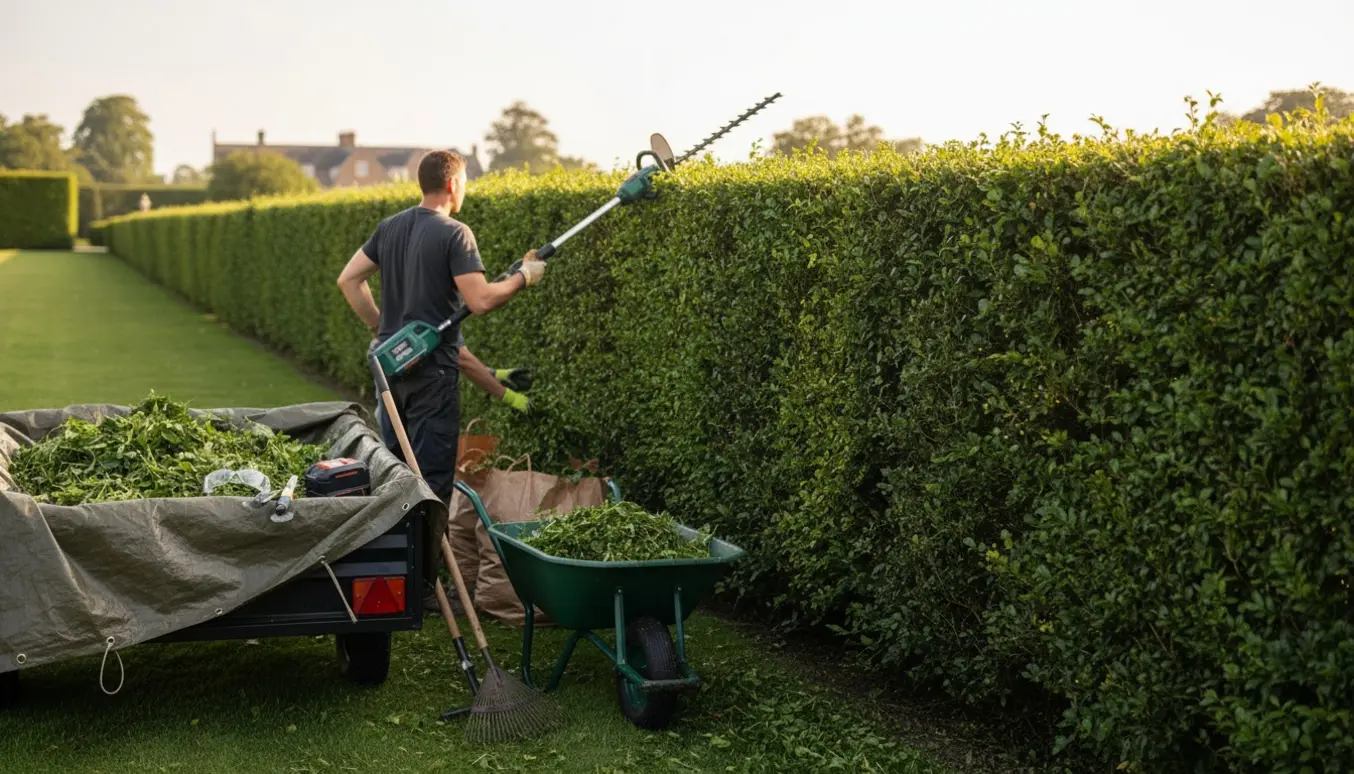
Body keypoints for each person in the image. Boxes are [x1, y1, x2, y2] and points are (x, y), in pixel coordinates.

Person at [336, 149, 545, 501]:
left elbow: (349, 280)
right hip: (433, 378)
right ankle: (429, 556)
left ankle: (403, 554)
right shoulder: (455, 233)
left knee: (394, 477)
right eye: (464, 182)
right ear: (451, 183)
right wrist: (524, 278)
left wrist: (381, 328)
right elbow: (479, 300)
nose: (465, 189)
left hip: (391, 372)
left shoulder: (389, 227)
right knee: (430, 486)